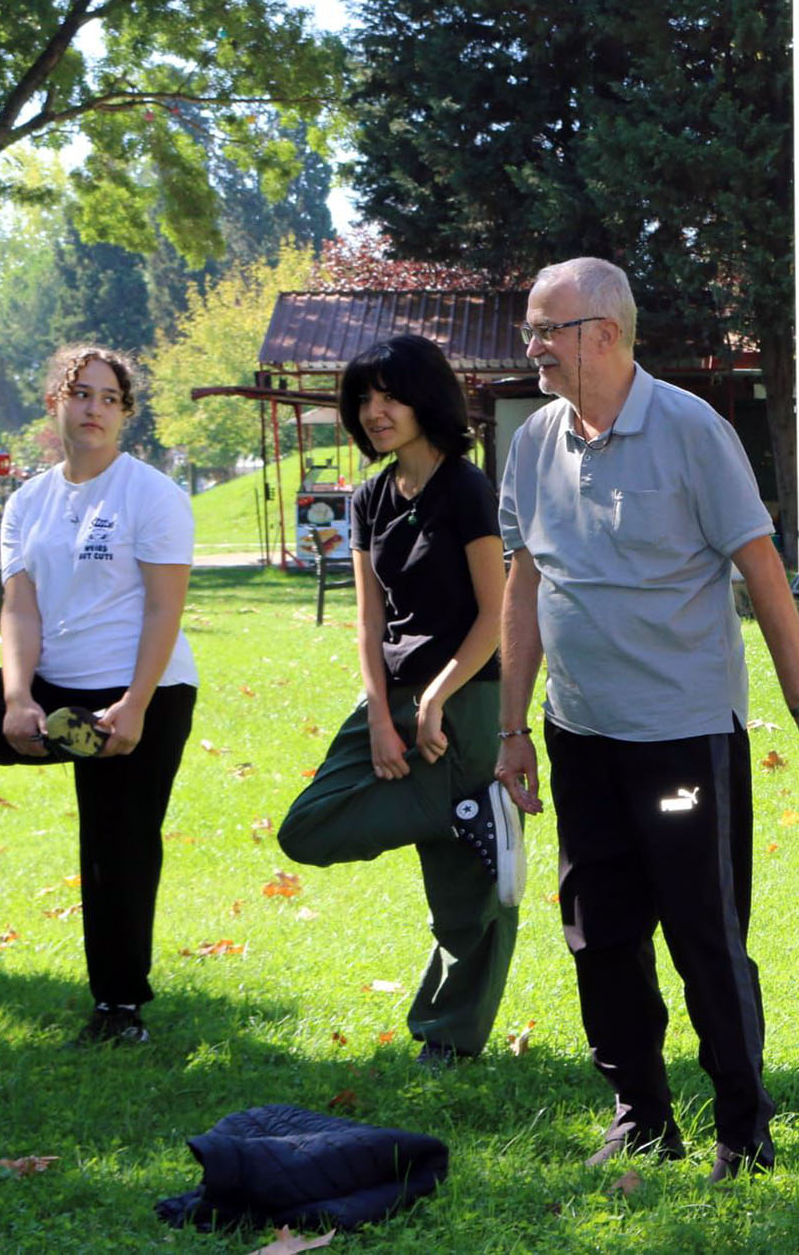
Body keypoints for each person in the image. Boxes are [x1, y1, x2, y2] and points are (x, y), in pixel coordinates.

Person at [494, 257, 799, 1177]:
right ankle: (641, 1117)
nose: (533, 347)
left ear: (605, 333)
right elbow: (523, 582)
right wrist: (512, 727)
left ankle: (743, 1128)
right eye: (531, 329)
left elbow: (764, 573)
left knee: (703, 933)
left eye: (547, 329)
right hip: (580, 736)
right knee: (599, 931)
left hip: (684, 738)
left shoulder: (692, 430)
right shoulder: (532, 441)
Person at [277, 335, 521, 1067]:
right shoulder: (369, 497)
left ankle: (449, 1037)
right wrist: (382, 718)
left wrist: (437, 698)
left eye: (391, 396)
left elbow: (496, 613)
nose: (374, 411)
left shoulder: (466, 487)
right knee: (307, 828)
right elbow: (368, 620)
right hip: (393, 696)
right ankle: (456, 812)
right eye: (364, 398)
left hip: (466, 695)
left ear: (426, 399)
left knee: (467, 897)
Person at [0, 345, 196, 1045]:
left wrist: (135, 704)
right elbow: (19, 608)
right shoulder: (28, 501)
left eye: (110, 398)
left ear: (125, 414)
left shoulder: (151, 494)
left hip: (142, 689)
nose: (94, 409)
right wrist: (17, 697)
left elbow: (165, 609)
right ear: (56, 402)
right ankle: (55, 725)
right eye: (81, 393)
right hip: (54, 685)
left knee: (116, 842)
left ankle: (118, 1009)